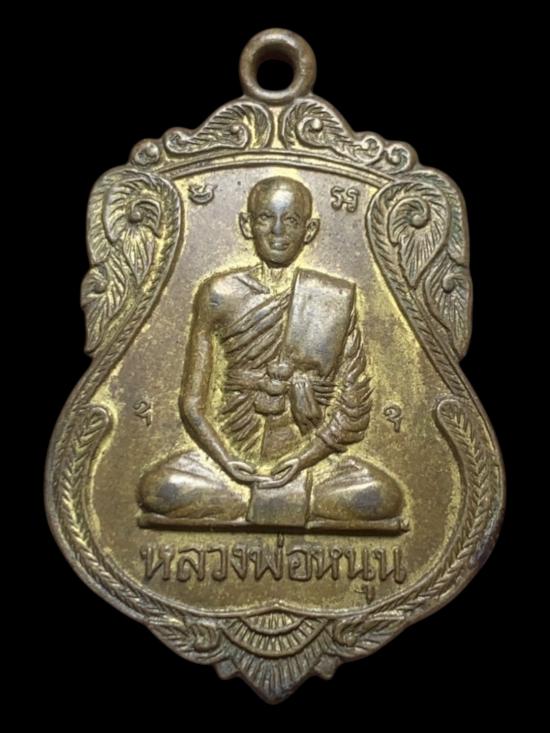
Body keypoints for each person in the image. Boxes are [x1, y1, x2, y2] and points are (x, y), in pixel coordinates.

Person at [138, 176, 405, 529]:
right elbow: (191, 404)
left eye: (291, 220)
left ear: (309, 230)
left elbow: (352, 404)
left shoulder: (332, 298)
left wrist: (303, 459)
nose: (278, 231)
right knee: (158, 489)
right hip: (227, 460)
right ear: (246, 224)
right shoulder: (218, 293)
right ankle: (278, 501)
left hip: (309, 463)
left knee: (383, 495)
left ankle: (254, 501)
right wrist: (227, 461)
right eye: (266, 218)